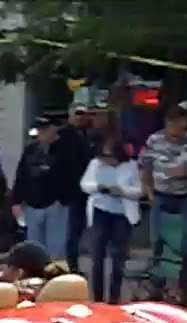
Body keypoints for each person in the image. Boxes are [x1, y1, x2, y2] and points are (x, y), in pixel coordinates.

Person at [139, 105, 187, 306]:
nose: (174, 125)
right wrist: (148, 191)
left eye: (178, 121)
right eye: (170, 121)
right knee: (158, 244)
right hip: (161, 198)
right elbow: (145, 166)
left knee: (184, 246)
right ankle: (156, 288)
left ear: (184, 122)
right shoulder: (154, 141)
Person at [81, 135, 144, 304]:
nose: (108, 161)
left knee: (118, 256)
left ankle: (114, 296)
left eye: (111, 157)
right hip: (101, 211)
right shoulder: (96, 164)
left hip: (122, 214)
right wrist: (98, 187)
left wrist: (122, 191)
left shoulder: (131, 166)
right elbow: (85, 184)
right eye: (105, 157)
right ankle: (98, 297)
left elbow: (139, 190)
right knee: (97, 255)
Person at [11, 115, 74, 260]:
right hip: (32, 205)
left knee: (56, 249)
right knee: (34, 249)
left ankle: (56, 279)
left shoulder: (65, 150)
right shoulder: (30, 150)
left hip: (56, 204)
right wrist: (16, 200)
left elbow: (72, 175)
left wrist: (64, 198)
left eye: (45, 129)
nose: (42, 133)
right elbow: (21, 175)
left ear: (54, 129)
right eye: (40, 130)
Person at [57, 105, 94, 273]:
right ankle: (69, 266)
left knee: (79, 229)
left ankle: (73, 264)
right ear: (70, 115)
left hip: (86, 191)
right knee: (69, 231)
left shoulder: (91, 134)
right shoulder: (62, 135)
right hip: (69, 191)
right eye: (77, 114)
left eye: (84, 114)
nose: (80, 117)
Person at [0, 240, 72, 300]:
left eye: (6, 266)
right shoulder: (62, 293)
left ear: (19, 273)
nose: (1, 272)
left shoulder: (16, 298)